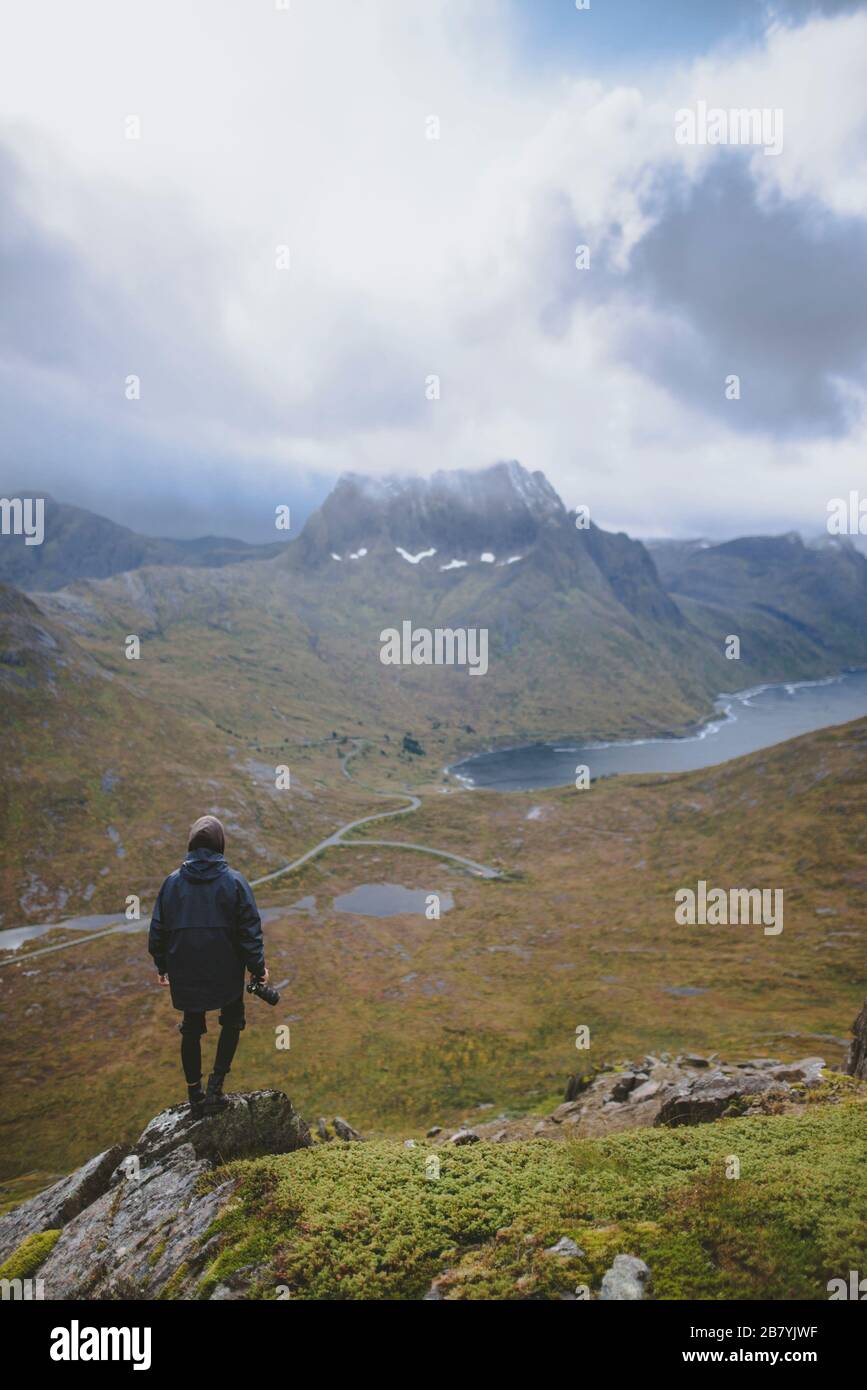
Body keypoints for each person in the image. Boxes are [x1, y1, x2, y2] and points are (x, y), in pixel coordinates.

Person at [148, 814, 268, 1114]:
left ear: (191, 843)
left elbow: (158, 929)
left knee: (191, 1026)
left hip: (185, 970)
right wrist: (258, 968)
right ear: (220, 844)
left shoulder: (172, 883)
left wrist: (162, 966)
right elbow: (249, 931)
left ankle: (195, 1095)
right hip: (226, 971)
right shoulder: (235, 882)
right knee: (232, 1019)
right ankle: (216, 1087)